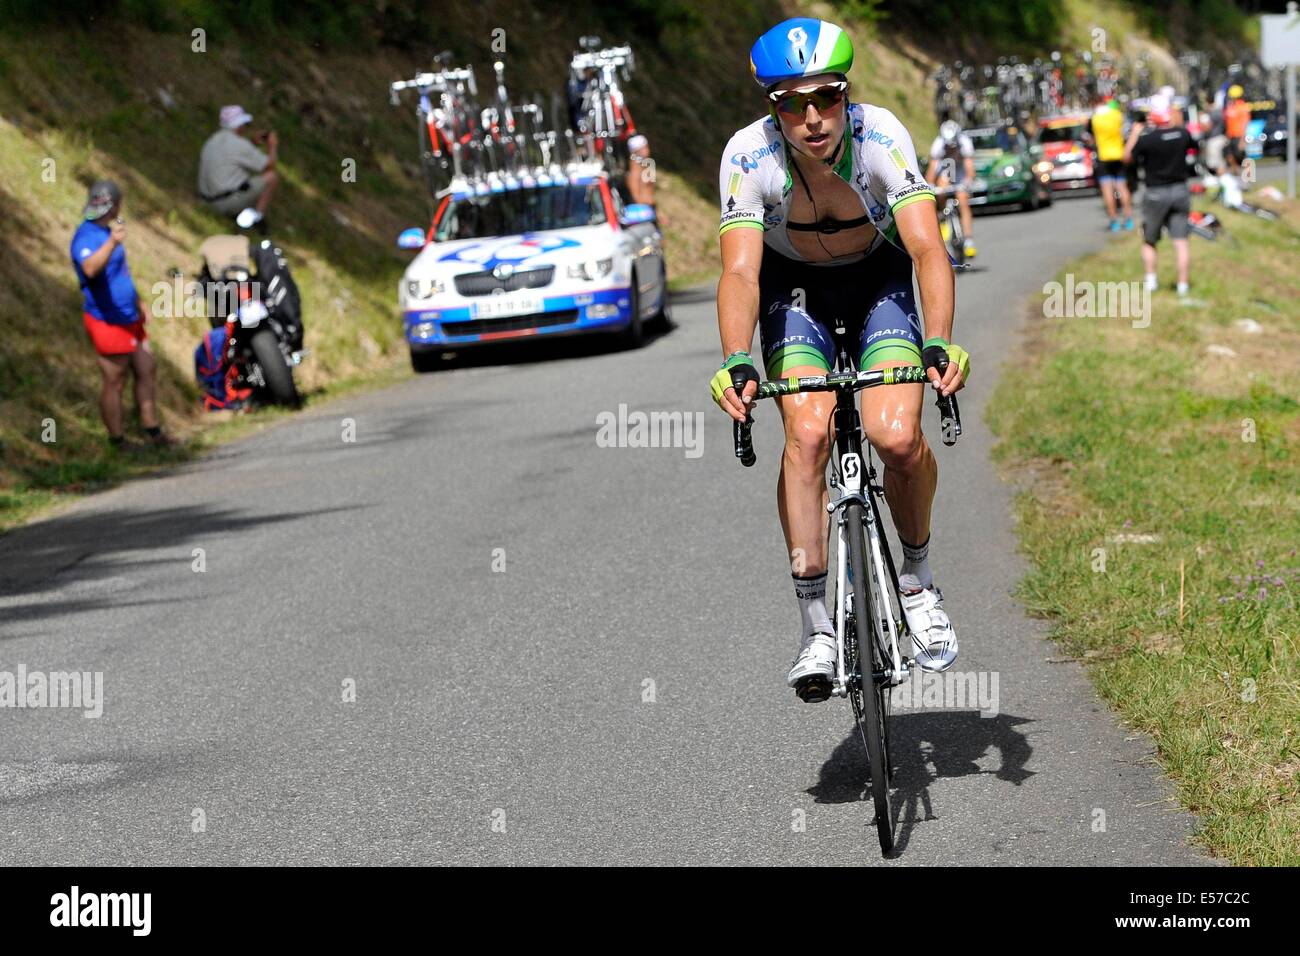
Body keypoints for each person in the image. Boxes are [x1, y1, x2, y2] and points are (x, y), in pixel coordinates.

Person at [711, 17, 969, 699]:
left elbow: (925, 249)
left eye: (825, 98)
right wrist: (738, 359)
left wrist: (939, 340)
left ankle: (916, 581)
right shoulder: (747, 155)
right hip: (792, 289)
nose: (812, 117)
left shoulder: (881, 138)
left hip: (877, 279)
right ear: (774, 109)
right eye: (793, 104)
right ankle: (816, 627)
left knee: (895, 435)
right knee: (805, 433)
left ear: (845, 96)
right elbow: (739, 273)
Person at [69, 181, 173, 448]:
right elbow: (90, 268)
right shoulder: (86, 236)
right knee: (115, 379)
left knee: (146, 367)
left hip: (130, 317)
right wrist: (113, 243)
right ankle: (117, 440)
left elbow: (120, 273)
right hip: (107, 319)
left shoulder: (106, 231)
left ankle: (153, 431)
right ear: (114, 205)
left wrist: (138, 302)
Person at [1124, 103, 1193, 297]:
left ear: (1152, 119)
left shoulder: (1147, 139)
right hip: (1180, 191)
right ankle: (1183, 286)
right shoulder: (1182, 135)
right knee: (1181, 242)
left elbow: (1127, 158)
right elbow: (1192, 143)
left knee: (1149, 239)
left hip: (1155, 193)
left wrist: (1136, 133)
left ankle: (1151, 281)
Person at [198, 105, 278, 228]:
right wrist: (272, 146)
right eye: (245, 124)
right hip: (224, 202)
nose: (245, 128)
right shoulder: (241, 145)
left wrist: (252, 143)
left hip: (205, 199)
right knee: (271, 177)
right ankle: (257, 218)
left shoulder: (213, 139)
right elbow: (269, 166)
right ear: (239, 125)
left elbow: (235, 155)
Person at [925, 119, 977, 258]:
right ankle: (942, 217)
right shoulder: (938, 145)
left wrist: (967, 182)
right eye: (948, 145)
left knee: (963, 200)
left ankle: (968, 241)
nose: (951, 147)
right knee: (940, 191)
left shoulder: (965, 143)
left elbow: (970, 169)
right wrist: (930, 185)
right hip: (945, 172)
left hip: (960, 173)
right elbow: (932, 169)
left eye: (953, 145)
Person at [1090, 94, 1133, 231]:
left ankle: (1114, 221)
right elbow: (1126, 132)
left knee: (1107, 191)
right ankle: (1128, 219)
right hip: (1118, 155)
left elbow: (1089, 137)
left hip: (1103, 157)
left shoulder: (1095, 119)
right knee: (1122, 188)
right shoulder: (1117, 115)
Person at [1222, 85, 1250, 175]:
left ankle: (1248, 177)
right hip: (1231, 136)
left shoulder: (1242, 107)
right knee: (1229, 155)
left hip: (1239, 136)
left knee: (1242, 157)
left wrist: (1243, 139)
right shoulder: (1230, 106)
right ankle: (1236, 174)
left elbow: (1245, 124)